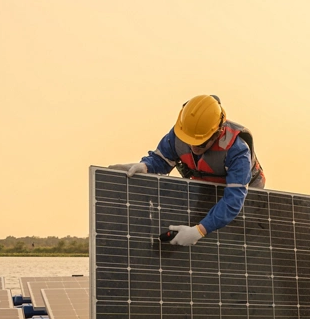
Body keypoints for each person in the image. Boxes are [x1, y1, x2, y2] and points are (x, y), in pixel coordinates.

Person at [109, 94, 265, 247]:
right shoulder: (182, 131)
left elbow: (233, 200)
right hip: (204, 186)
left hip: (243, 194)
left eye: (201, 143)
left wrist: (199, 231)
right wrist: (145, 166)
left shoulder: (237, 151)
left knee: (222, 242)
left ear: (217, 134)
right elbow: (161, 159)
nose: (193, 147)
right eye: (189, 141)